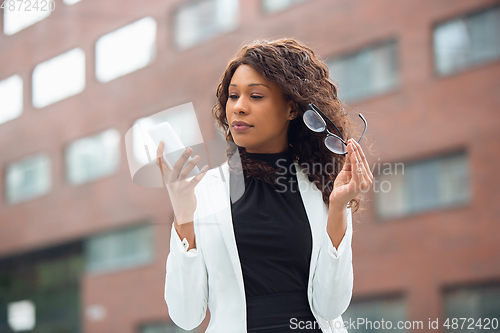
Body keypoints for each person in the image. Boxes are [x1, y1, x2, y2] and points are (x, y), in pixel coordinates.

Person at [158, 38, 373, 333]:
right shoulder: (205, 190)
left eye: (256, 96)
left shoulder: (324, 187)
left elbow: (331, 306)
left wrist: (337, 208)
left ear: (291, 109)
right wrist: (183, 215)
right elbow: (186, 316)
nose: (239, 108)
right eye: (233, 96)